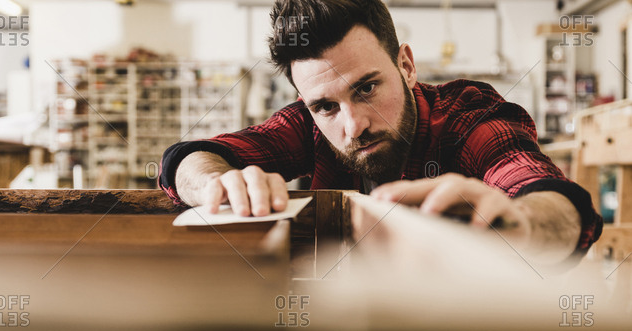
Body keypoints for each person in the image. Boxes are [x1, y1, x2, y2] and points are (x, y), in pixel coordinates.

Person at [159, 0, 602, 263]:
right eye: (326, 106)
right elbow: (187, 157)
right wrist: (217, 185)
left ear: (406, 65)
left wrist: (521, 222)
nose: (352, 126)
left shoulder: (467, 118)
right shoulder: (307, 125)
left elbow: (547, 195)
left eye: (367, 88)